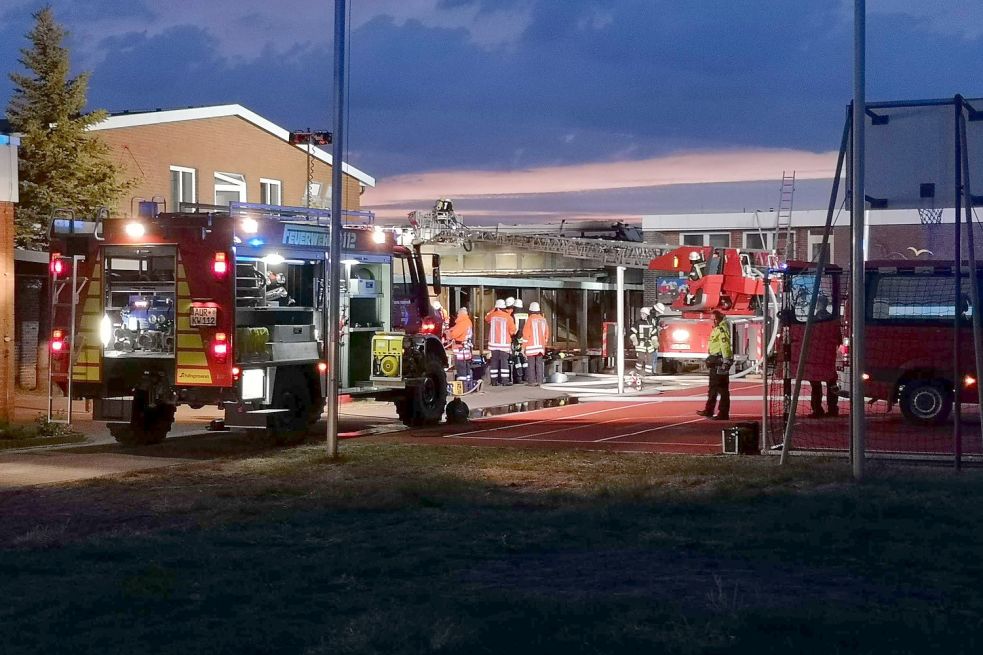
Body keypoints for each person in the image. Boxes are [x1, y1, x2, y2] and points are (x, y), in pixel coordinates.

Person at [698, 309, 732, 420]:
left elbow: (725, 346)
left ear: (717, 319)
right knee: (713, 388)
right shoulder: (717, 329)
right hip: (715, 360)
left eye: (713, 319)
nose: (712, 321)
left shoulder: (721, 330)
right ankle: (709, 410)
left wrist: (726, 360)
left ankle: (723, 413)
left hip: (719, 360)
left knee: (722, 389)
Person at [485, 299, 517, 386]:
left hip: (493, 344)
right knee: (504, 362)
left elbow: (486, 318)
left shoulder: (492, 316)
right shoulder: (508, 317)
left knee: (494, 361)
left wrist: (493, 309)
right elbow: (513, 331)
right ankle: (505, 381)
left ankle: (494, 381)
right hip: (504, 344)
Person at [522, 302, 550, 385]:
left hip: (531, 347)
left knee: (531, 365)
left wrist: (523, 347)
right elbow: (547, 334)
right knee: (539, 364)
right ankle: (540, 381)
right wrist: (543, 344)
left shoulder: (530, 319)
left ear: (531, 310)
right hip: (540, 347)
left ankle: (532, 381)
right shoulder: (543, 320)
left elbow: (526, 335)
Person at [446, 307, 473, 386]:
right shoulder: (467, 321)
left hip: (461, 350)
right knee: (467, 367)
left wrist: (448, 334)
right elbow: (456, 329)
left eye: (458, 314)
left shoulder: (462, 323)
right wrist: (451, 329)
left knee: (461, 368)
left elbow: (455, 334)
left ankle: (462, 386)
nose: (457, 315)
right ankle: (468, 385)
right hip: (466, 349)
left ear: (461, 314)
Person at [629, 307, 656, 375]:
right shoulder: (638, 323)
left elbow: (654, 333)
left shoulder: (650, 323)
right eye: (641, 314)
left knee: (650, 359)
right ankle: (638, 371)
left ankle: (648, 373)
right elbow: (632, 332)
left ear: (647, 314)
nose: (642, 315)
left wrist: (655, 341)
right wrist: (634, 340)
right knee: (640, 358)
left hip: (649, 343)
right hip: (640, 343)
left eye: (643, 314)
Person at [511, 299, 529, 383]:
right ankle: (526, 376)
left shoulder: (513, 315)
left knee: (516, 358)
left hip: (516, 339)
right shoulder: (527, 314)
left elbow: (513, 328)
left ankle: (518, 377)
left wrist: (513, 338)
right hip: (525, 339)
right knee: (524, 358)